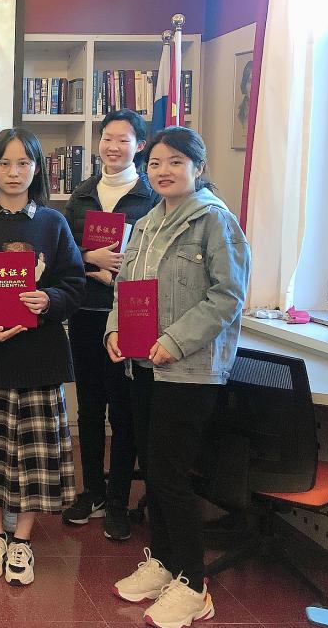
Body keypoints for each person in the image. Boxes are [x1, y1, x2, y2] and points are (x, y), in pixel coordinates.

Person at [106, 126, 249, 628]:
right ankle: (165, 563)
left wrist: (176, 340)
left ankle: (194, 585)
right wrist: (114, 329)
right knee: (153, 467)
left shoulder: (215, 221)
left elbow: (227, 297)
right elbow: (126, 286)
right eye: (155, 163)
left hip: (189, 370)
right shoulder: (147, 222)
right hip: (144, 364)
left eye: (175, 162)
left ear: (198, 168)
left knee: (170, 475)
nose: (163, 171)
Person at [0, 128, 84, 586]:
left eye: (23, 162)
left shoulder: (53, 223)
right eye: (4, 163)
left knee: (35, 456)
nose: (13, 172)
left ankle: (22, 538)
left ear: (36, 169)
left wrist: (50, 299)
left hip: (38, 360)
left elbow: (74, 283)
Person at [62, 109, 159, 541]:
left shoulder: (151, 196)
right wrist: (89, 259)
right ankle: (92, 493)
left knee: (123, 411)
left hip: (130, 317)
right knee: (88, 407)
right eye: (107, 138)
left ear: (139, 145)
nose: (113, 147)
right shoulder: (82, 194)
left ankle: (118, 500)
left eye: (123, 139)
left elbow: (157, 256)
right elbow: (63, 252)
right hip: (85, 313)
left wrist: (120, 272)